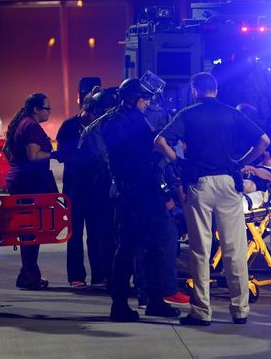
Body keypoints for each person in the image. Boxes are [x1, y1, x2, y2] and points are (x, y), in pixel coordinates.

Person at [155, 72, 270, 326]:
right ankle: (240, 309)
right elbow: (264, 140)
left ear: (195, 91)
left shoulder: (187, 114)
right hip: (229, 182)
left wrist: (180, 163)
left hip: (200, 184)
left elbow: (160, 141)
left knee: (200, 250)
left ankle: (201, 311)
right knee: (234, 249)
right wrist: (242, 163)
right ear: (215, 90)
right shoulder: (232, 113)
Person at [102, 77, 180, 322]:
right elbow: (136, 157)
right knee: (127, 249)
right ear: (131, 98)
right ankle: (120, 304)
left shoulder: (133, 119)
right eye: (144, 98)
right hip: (134, 193)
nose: (147, 102)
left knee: (155, 245)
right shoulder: (117, 122)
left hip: (145, 191)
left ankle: (155, 300)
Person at [3, 93, 57, 290]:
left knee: (28, 230)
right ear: (36, 109)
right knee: (32, 231)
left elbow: (7, 151)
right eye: (47, 108)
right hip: (30, 184)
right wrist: (55, 154)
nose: (49, 112)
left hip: (20, 181)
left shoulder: (21, 123)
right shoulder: (32, 126)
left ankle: (27, 274)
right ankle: (29, 276)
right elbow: (33, 156)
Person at [74, 87, 119, 289]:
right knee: (103, 233)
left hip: (107, 187)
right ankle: (106, 276)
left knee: (111, 233)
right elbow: (105, 159)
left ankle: (111, 276)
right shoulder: (95, 130)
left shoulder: (107, 126)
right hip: (100, 189)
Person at [56, 89, 100, 287]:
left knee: (96, 233)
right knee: (74, 234)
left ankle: (99, 275)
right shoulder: (68, 126)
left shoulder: (99, 125)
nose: (96, 117)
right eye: (94, 113)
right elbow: (62, 154)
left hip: (94, 187)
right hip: (74, 186)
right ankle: (76, 276)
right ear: (85, 109)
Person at [212, 50, 271, 133]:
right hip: (232, 125)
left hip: (260, 126)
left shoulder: (264, 75)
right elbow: (215, 98)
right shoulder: (222, 73)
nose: (245, 75)